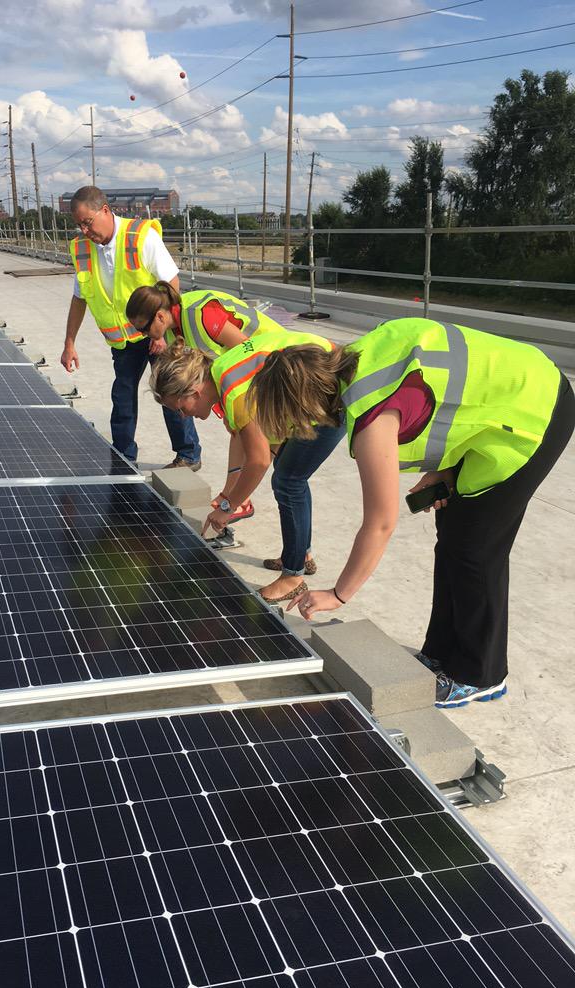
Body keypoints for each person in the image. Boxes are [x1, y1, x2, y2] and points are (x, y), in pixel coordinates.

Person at [247, 317, 574, 708]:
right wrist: (442, 469)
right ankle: (440, 653)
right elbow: (452, 395)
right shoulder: (363, 357)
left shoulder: (371, 415)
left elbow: (380, 524)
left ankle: (480, 675)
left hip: (536, 410)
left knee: (475, 549)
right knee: (452, 536)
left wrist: (338, 594)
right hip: (510, 396)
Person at [149, 333, 346, 604]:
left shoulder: (235, 394)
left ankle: (293, 577)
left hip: (333, 389)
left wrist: (228, 507)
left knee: (288, 480)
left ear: (194, 392)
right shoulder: (221, 372)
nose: (183, 416)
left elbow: (258, 461)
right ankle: (301, 555)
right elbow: (261, 439)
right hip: (318, 380)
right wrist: (230, 496)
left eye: (180, 408)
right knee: (289, 472)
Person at [60, 186, 201, 470]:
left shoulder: (140, 236)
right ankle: (124, 455)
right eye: (79, 225)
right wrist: (69, 342)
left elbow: (171, 284)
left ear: (105, 210)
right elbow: (79, 298)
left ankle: (188, 454)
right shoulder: (83, 248)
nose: (85, 230)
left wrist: (162, 333)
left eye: (87, 222)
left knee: (172, 392)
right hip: (123, 341)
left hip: (157, 334)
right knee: (122, 396)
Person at [127, 281, 285, 523]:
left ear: (159, 316)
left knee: (268, 455)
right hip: (244, 375)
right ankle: (233, 496)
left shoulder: (200, 316)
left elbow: (249, 352)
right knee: (238, 429)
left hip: (274, 362)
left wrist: (242, 399)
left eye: (143, 328)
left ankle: (237, 500)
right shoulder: (172, 331)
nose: (142, 335)